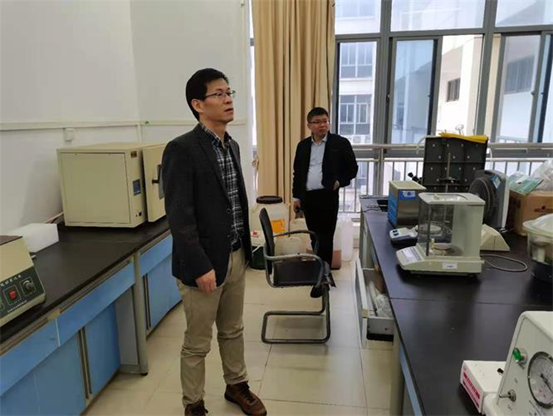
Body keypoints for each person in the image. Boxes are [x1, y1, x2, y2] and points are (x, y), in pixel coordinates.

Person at [162, 68, 267, 416]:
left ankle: (236, 385)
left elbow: (233, 203)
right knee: (197, 342)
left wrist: (246, 249)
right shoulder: (182, 149)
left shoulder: (231, 145)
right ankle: (193, 404)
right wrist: (199, 266)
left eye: (229, 92)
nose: (228, 99)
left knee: (233, 329)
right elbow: (180, 217)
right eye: (218, 94)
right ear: (198, 104)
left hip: (234, 255)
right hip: (203, 264)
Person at [292, 107, 358, 298]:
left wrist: (339, 182)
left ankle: (323, 278)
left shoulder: (340, 143)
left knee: (326, 237)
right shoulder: (303, 146)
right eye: (318, 122)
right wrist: (296, 197)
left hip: (328, 196)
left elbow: (352, 169)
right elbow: (298, 173)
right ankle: (320, 270)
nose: (323, 125)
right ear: (309, 125)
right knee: (315, 237)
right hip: (308, 198)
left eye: (325, 121)